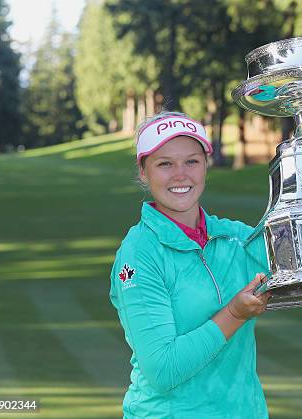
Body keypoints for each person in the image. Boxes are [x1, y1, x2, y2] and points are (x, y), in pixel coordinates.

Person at [109, 111, 271, 418]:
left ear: (206, 166)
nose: (180, 174)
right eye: (165, 164)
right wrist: (234, 314)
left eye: (192, 161)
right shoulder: (139, 254)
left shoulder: (234, 237)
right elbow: (163, 369)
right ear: (143, 171)